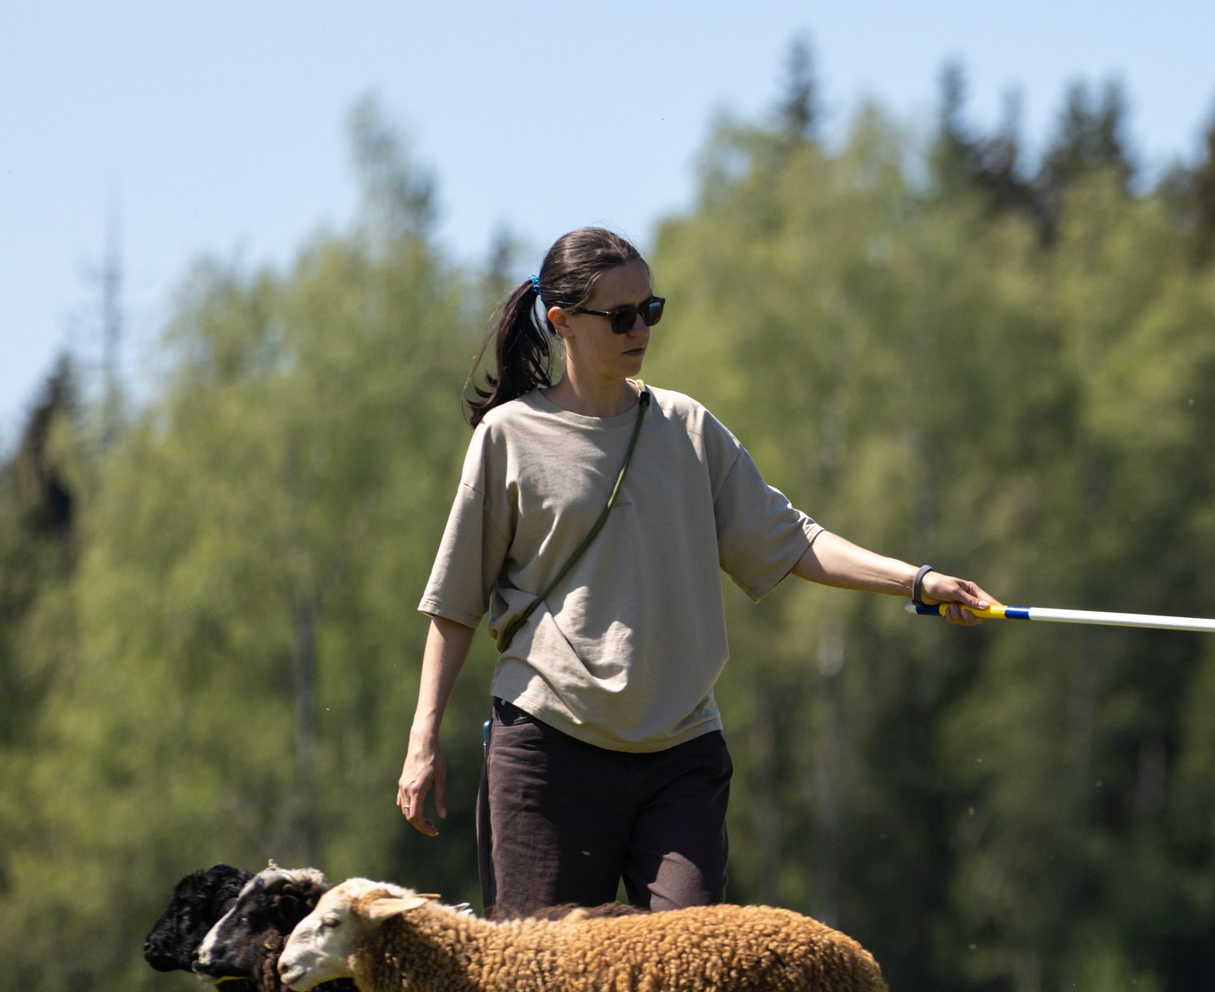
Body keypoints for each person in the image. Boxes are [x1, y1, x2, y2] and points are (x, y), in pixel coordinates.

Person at [398, 226, 994, 914]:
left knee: (697, 983)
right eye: (620, 316)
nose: (640, 329)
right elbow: (455, 604)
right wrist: (423, 742)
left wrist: (918, 581)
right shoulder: (509, 437)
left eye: (649, 311)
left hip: (681, 755)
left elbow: (792, 540)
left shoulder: (687, 428)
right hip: (549, 750)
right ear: (561, 321)